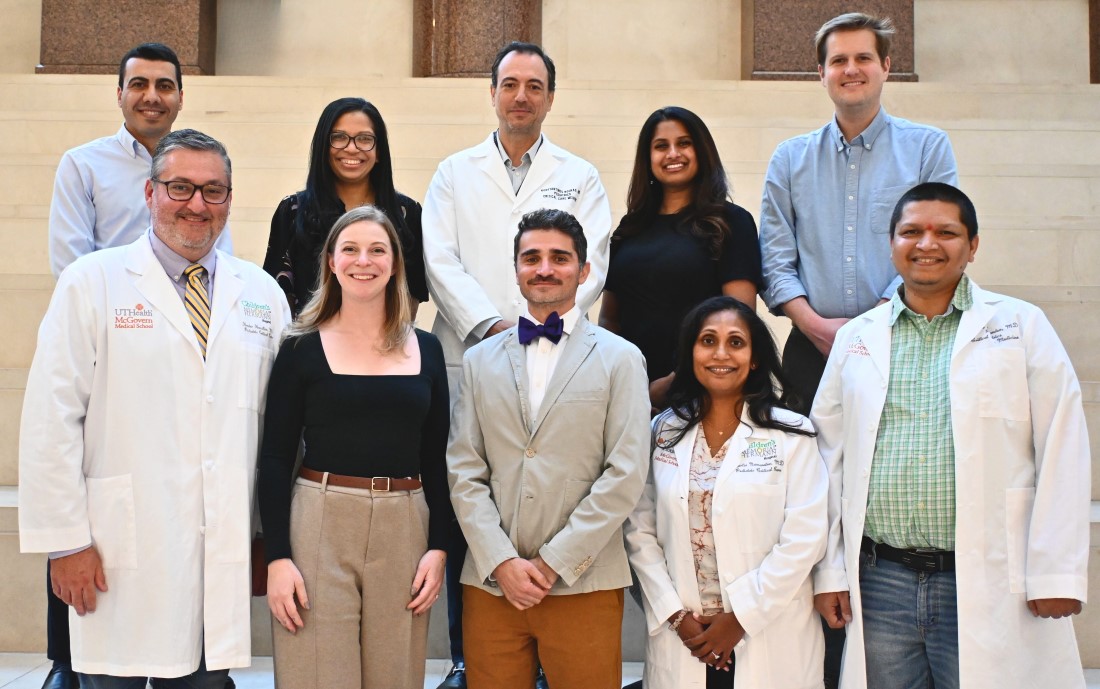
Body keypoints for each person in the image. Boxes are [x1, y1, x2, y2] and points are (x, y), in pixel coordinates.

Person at [18, 129, 290, 689]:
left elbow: (277, 431)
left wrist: (270, 534)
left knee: (204, 676)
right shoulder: (91, 282)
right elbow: (51, 419)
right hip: (118, 550)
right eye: (180, 187)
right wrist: (65, 541)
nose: (197, 204)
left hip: (223, 545)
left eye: (214, 191)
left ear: (230, 200)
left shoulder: (262, 294)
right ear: (149, 194)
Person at [811, 182, 1090, 689]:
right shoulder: (856, 338)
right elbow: (826, 462)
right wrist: (829, 570)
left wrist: (1056, 573)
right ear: (892, 242)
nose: (927, 244)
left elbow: (1063, 447)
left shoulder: (1021, 327)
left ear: (973, 246)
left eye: (946, 232)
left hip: (985, 577)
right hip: (881, 581)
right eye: (911, 231)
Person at [757, 14, 957, 684]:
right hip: (811, 347)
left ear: (885, 67)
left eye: (863, 59)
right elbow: (775, 256)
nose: (850, 70)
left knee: (877, 473)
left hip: (899, 342)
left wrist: (870, 325)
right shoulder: (789, 159)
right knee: (813, 484)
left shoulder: (928, 149)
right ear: (820, 72)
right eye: (837, 61)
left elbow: (936, 240)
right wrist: (814, 323)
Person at [423, 41, 612, 689]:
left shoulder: (579, 174)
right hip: (473, 353)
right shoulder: (454, 171)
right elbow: (439, 260)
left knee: (554, 483)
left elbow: (590, 261)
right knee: (472, 494)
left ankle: (550, 636)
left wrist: (544, 321)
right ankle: (465, 657)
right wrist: (501, 327)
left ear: (550, 97)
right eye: (510, 83)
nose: (521, 95)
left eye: (535, 85)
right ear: (494, 92)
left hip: (561, 359)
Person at [447, 208, 650, 689]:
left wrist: (554, 562)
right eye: (531, 257)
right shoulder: (478, 362)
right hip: (492, 583)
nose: (543, 268)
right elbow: (463, 469)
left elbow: (624, 473)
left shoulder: (622, 358)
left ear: (583, 272)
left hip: (585, 579)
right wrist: (500, 560)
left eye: (559, 258)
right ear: (515, 269)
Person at [258, 205, 450, 689]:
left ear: (395, 264)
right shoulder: (300, 347)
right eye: (350, 249)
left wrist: (440, 547)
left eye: (377, 250)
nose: (363, 260)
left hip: (404, 523)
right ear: (331, 261)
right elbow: (277, 458)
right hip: (319, 522)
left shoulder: (427, 350)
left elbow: (437, 458)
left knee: (396, 675)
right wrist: (278, 557)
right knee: (316, 674)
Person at [625, 296, 827, 689]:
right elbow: (638, 529)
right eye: (708, 341)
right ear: (691, 354)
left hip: (767, 632)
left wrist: (740, 619)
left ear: (754, 359)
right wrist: (676, 617)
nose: (721, 353)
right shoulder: (663, 431)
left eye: (736, 342)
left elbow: (805, 537)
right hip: (686, 634)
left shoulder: (793, 434)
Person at [601, 106, 762, 412]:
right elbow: (610, 319)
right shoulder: (629, 228)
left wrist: (676, 383)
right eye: (661, 146)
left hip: (702, 394)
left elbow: (739, 320)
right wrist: (626, 386)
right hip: (628, 397)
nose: (673, 153)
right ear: (647, 159)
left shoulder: (732, 222)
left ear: (701, 151)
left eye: (684, 143)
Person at [49, 42, 232, 279]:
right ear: (119, 95)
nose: (152, 97)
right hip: (113, 309)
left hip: (190, 307)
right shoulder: (82, 165)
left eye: (164, 86)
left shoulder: (204, 165)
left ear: (181, 98)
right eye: (139, 84)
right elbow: (71, 267)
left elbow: (219, 249)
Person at [263, 97, 428, 316]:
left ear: (379, 151)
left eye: (365, 139)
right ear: (323, 145)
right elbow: (277, 294)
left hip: (386, 345)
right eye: (339, 138)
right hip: (307, 344)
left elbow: (411, 296)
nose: (351, 148)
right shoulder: (292, 212)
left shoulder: (407, 214)